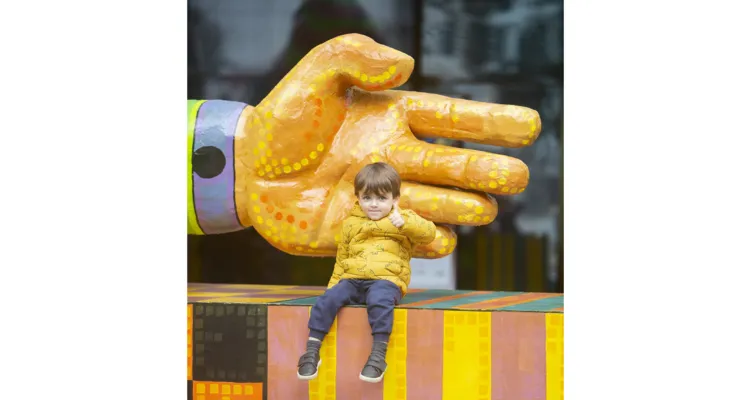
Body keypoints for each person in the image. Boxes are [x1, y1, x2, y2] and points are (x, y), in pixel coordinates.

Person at [296, 162, 437, 383]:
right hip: (352, 279)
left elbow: (429, 233)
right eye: (367, 198)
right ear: (358, 198)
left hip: (386, 280)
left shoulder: (402, 220)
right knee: (326, 301)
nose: (373, 205)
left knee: (379, 301)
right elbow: (342, 258)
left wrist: (406, 223)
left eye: (381, 199)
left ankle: (378, 356)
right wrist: (332, 288)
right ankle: (312, 351)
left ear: (395, 199)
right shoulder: (351, 223)